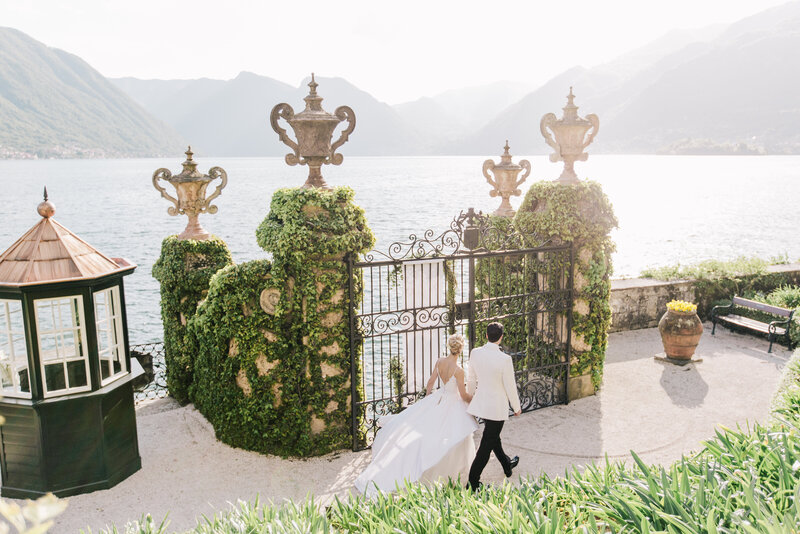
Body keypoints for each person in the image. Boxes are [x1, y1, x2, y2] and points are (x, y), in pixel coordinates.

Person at [354, 333, 478, 496]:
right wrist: (475, 399)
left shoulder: (440, 361)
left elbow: (431, 381)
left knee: (433, 432)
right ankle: (452, 471)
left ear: (450, 347)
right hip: (452, 403)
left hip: (438, 399)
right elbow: (463, 395)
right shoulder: (459, 371)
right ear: (460, 350)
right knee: (455, 434)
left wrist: (427, 400)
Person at [466, 322, 521, 491]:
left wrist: (470, 397)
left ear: (486, 336)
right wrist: (516, 407)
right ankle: (473, 482)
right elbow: (510, 386)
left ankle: (507, 464)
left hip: (482, 405)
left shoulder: (475, 353)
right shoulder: (505, 359)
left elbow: (471, 378)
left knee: (493, 437)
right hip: (496, 408)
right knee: (486, 445)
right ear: (501, 337)